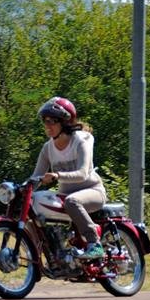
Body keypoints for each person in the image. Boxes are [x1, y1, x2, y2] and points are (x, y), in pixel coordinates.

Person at [31, 96, 107, 259]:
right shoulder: (48, 148)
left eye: (52, 121)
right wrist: (21, 190)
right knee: (33, 201)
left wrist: (57, 175)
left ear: (65, 122)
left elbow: (83, 173)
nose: (47, 125)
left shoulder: (81, 141)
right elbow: (36, 177)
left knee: (72, 201)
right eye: (45, 121)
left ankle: (95, 243)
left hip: (93, 191)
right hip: (65, 196)